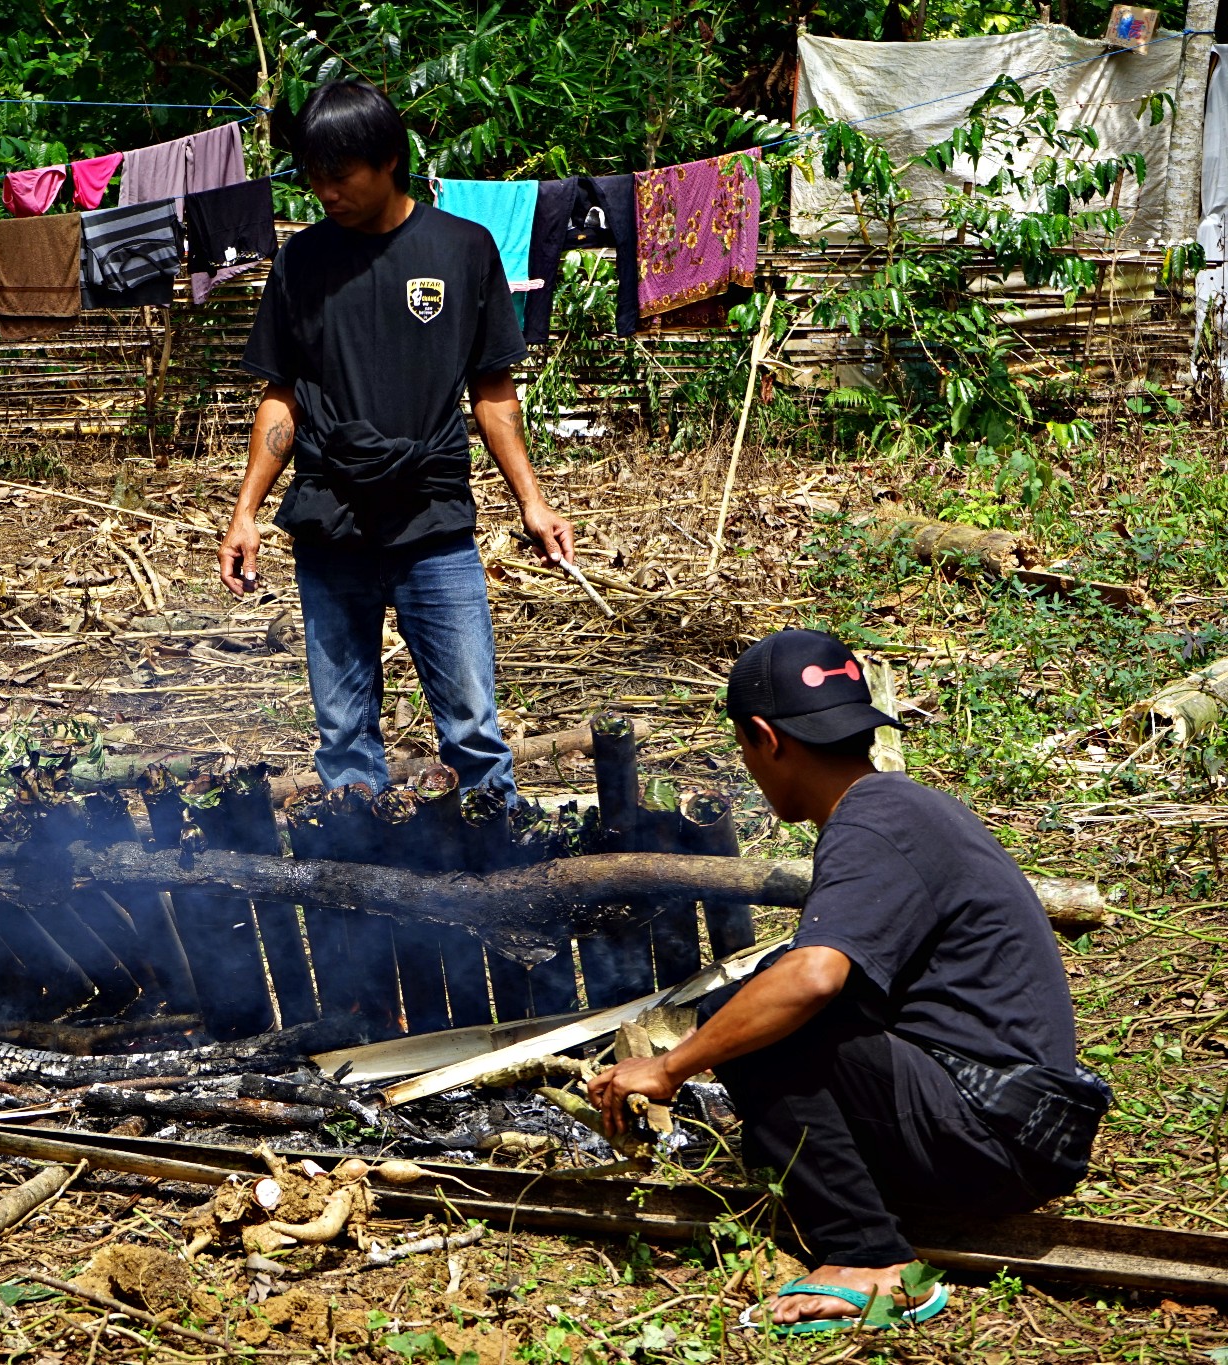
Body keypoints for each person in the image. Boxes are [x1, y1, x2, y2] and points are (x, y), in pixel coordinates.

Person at [587, 629, 1109, 1336]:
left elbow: (811, 979)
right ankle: (879, 1211)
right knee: (766, 1001)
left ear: (765, 737)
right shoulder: (901, 807)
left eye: (744, 748)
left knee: (772, 1006)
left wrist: (672, 1067)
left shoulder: (874, 823)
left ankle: (870, 1260)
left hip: (998, 1132)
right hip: (1017, 1123)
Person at [215, 79, 575, 797]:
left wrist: (532, 501)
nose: (324, 191)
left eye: (339, 175)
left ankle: (502, 885)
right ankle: (361, 892)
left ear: (388, 162)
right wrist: (246, 510)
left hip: (433, 521)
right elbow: (280, 395)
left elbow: (493, 393)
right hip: (329, 521)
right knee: (344, 736)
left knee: (472, 728)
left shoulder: (463, 250)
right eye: (313, 176)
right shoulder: (301, 263)